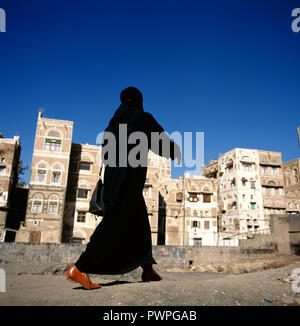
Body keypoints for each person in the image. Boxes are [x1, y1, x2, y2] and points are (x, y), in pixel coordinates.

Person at [66, 87, 181, 289]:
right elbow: (160, 143)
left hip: (115, 183)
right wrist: (175, 150)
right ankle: (79, 268)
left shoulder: (112, 124)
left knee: (141, 226)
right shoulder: (141, 118)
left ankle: (147, 270)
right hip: (128, 183)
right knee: (112, 225)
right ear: (139, 101)